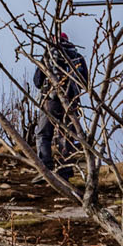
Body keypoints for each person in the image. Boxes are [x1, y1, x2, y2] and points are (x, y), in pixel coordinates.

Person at [32, 25, 90, 184]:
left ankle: (45, 168)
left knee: (43, 134)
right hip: (72, 101)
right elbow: (85, 82)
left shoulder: (48, 56)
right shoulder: (77, 57)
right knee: (68, 135)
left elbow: (37, 82)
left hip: (50, 101)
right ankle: (65, 170)